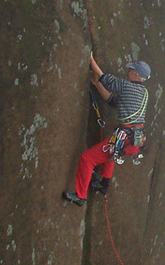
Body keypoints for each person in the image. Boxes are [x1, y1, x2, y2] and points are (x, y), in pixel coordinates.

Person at [63, 53, 149, 207]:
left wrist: (90, 59)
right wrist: (96, 84)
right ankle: (104, 184)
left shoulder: (127, 86)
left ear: (136, 74)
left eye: (130, 70)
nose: (127, 72)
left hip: (125, 138)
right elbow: (113, 101)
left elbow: (106, 79)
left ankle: (80, 196)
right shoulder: (144, 94)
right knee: (112, 152)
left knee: (87, 159)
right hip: (135, 140)